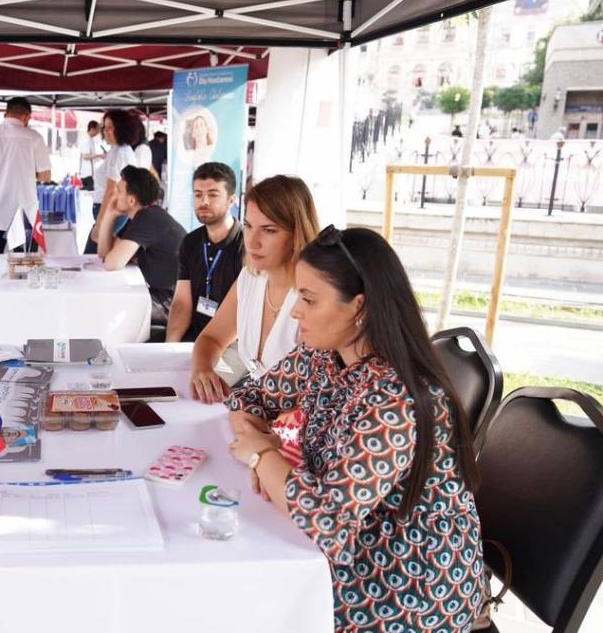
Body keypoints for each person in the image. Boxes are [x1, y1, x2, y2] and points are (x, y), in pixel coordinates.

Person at [225, 226, 485, 631]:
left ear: (359, 307)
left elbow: (327, 521)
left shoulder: (394, 400)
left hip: (406, 581)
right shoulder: (324, 354)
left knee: (246, 600)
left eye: (309, 299)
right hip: (351, 547)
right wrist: (256, 440)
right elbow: (249, 397)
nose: (295, 311)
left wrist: (263, 456)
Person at [190, 174, 319, 401]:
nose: (252, 241)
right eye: (248, 226)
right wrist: (203, 370)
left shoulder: (314, 295)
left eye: (269, 230)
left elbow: (318, 393)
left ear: (297, 233)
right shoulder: (251, 277)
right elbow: (212, 338)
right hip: (255, 408)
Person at [94, 165, 186, 328]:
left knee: (109, 303)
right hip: (166, 295)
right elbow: (104, 253)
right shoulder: (144, 216)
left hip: (172, 303)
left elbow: (112, 263)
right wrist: (110, 214)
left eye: (119, 191)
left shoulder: (147, 218)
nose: (114, 195)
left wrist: (110, 212)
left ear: (131, 200)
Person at [0, 97, 52, 271]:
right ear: (26, 116)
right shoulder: (34, 137)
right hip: (25, 213)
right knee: (27, 266)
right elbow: (45, 176)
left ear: (5, 113)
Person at [166, 162, 242, 343]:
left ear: (232, 200)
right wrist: (169, 347)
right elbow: (182, 303)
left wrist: (207, 351)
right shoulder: (190, 242)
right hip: (194, 335)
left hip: (230, 343)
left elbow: (243, 315)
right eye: (198, 194)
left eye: (213, 194)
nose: (204, 201)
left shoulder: (247, 246)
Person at [85, 109, 138, 254]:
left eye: (110, 127)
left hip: (111, 211)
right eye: (105, 127)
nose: (106, 131)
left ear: (121, 128)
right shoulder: (118, 151)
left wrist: (100, 224)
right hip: (112, 211)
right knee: (99, 257)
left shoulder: (119, 153)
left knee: (91, 257)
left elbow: (111, 191)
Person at [77, 120, 106, 192]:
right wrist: (99, 155)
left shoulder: (90, 140)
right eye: (98, 129)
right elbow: (85, 156)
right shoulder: (85, 140)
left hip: (90, 174)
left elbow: (92, 157)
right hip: (86, 174)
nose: (99, 132)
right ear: (92, 129)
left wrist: (101, 156)